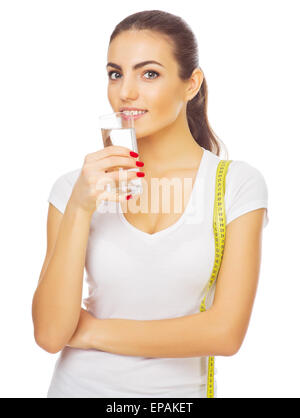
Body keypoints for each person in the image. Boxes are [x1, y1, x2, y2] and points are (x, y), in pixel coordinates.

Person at [32, 10, 269, 398]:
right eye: (115, 73)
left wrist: (91, 330)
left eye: (149, 74)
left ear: (191, 83)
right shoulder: (73, 188)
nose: (126, 92)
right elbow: (49, 333)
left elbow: (225, 334)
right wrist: (78, 208)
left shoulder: (236, 186)